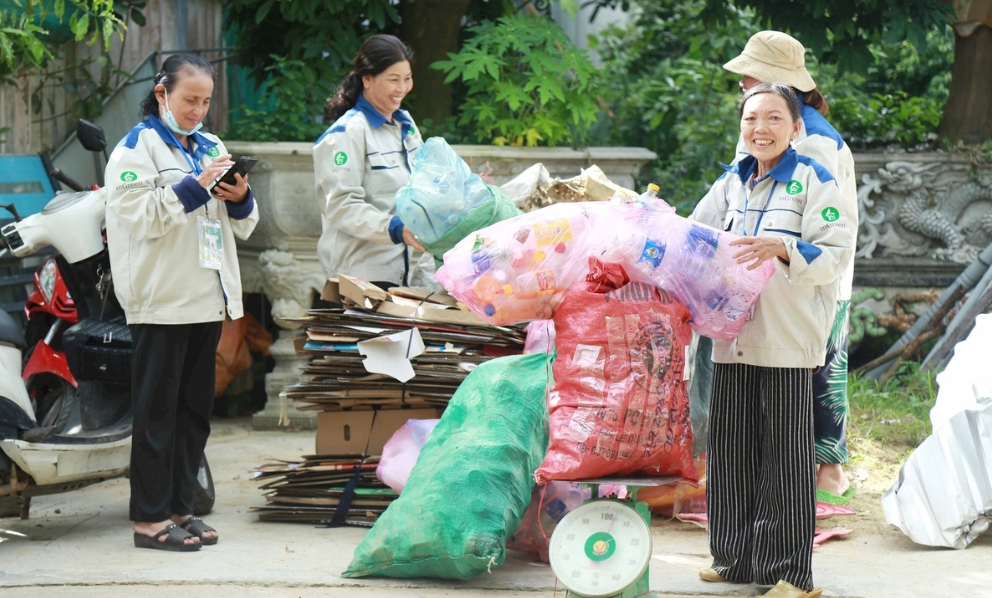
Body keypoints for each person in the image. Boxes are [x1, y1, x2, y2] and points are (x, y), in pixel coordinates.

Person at [698, 83, 854, 597]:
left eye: (772, 119)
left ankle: (792, 575)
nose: (758, 129)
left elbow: (834, 254)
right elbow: (693, 236)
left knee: (784, 460)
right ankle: (735, 559)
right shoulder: (731, 183)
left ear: (795, 128)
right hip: (732, 334)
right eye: (749, 119)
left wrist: (782, 248)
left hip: (787, 340)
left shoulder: (815, 179)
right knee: (730, 453)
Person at [691, 30, 858, 500]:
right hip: (762, 278)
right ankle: (785, 482)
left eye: (749, 75)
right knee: (803, 373)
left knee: (812, 373)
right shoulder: (769, 121)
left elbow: (826, 230)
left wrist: (784, 250)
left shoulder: (812, 141)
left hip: (802, 275)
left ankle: (817, 476)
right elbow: (729, 191)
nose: (743, 83)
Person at [105, 54, 259, 551]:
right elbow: (139, 217)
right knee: (156, 414)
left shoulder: (211, 145)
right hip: (162, 299)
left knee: (193, 413)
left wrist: (238, 195)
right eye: (189, 99)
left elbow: (241, 222)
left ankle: (180, 508)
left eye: (205, 101)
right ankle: (148, 522)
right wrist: (196, 185)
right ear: (161, 92)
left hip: (207, 298)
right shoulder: (137, 148)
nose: (198, 109)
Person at [315, 34, 425, 291]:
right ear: (367, 79)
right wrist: (395, 228)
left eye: (407, 79)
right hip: (358, 275)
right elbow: (342, 204)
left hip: (398, 272)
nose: (402, 88)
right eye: (393, 79)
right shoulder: (346, 133)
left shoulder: (405, 125)